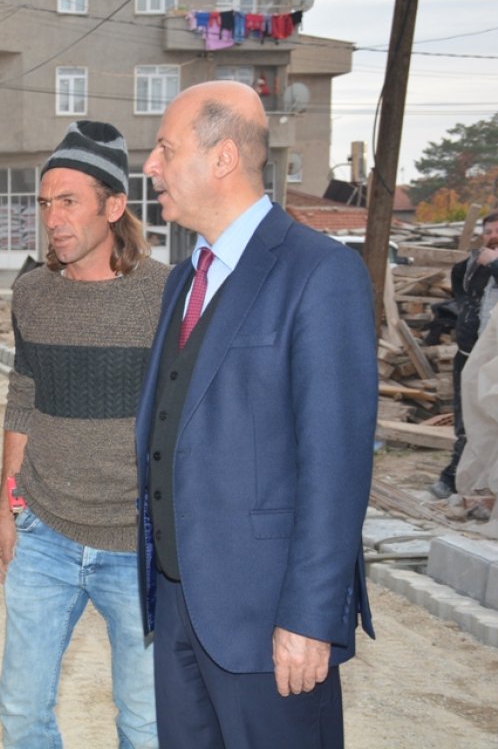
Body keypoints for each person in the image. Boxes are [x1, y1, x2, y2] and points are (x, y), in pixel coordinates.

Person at [135, 80, 377, 748]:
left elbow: (335, 465)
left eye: (165, 149)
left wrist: (310, 617)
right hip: (181, 609)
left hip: (271, 621)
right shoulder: (183, 279)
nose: (150, 166)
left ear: (223, 158)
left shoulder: (318, 273)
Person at [0, 121, 166, 748]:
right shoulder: (32, 294)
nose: (52, 219)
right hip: (45, 535)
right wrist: (5, 514)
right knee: (21, 715)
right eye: (45, 203)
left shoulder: (167, 296)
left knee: (145, 725)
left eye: (68, 201)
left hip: (137, 544)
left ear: (114, 207)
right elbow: (22, 400)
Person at [430, 210, 498, 499]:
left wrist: (496, 265)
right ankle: (455, 476)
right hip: (469, 352)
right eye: (488, 232)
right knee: (467, 416)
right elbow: (462, 291)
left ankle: (493, 484)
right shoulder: (473, 264)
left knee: (497, 417)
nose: (493, 237)